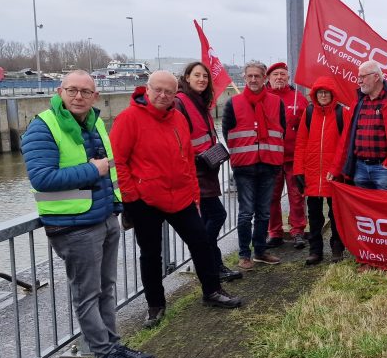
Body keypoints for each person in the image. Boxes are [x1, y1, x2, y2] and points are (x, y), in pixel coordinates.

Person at [22, 70, 154, 358]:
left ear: (95, 96)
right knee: (87, 294)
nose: (78, 96)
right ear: (60, 92)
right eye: (72, 90)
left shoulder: (94, 124)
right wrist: (92, 170)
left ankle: (113, 346)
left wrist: (117, 208)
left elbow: (111, 172)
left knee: (106, 289)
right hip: (74, 226)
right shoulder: (43, 127)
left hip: (103, 218)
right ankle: (104, 356)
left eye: (85, 91)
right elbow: (42, 178)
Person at [110, 71, 242, 329]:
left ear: (175, 93)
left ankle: (212, 290)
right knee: (150, 254)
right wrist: (132, 198)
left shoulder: (178, 118)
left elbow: (187, 158)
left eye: (169, 92)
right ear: (147, 89)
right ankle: (155, 305)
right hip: (146, 199)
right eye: (158, 90)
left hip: (180, 196)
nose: (163, 95)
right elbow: (119, 163)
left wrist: (194, 193)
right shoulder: (128, 118)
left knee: (201, 243)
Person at [173, 62, 242, 283]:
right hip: (195, 172)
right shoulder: (180, 102)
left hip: (207, 169)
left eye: (205, 76)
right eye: (197, 75)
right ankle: (205, 257)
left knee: (207, 220)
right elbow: (178, 140)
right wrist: (195, 159)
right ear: (187, 77)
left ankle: (213, 264)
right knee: (217, 216)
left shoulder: (199, 101)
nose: (202, 79)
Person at [223, 61, 286, 270]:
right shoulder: (233, 103)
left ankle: (260, 251)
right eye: (249, 76)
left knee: (264, 212)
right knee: (246, 213)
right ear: (244, 77)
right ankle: (244, 254)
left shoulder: (276, 102)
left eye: (257, 76)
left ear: (264, 78)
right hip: (245, 167)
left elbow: (282, 130)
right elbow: (227, 133)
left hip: (269, 164)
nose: (253, 80)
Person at [330, 61, 387, 190]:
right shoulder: (358, 103)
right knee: (363, 203)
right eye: (358, 77)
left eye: (363, 77)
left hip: (385, 170)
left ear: (376, 77)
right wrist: (336, 168)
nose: (359, 81)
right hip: (360, 169)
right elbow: (346, 138)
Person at [293, 76, 350, 265]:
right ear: (315, 95)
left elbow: (344, 145)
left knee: (336, 213)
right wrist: (298, 170)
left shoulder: (342, 113)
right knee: (314, 215)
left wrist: (336, 169)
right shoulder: (309, 113)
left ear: (332, 94)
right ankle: (315, 250)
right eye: (320, 92)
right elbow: (301, 143)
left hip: (333, 174)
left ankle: (337, 246)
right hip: (312, 173)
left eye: (326, 92)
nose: (323, 95)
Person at [264, 62, 309, 250]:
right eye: (276, 74)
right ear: (269, 78)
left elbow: (307, 126)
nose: (279, 77)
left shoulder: (298, 98)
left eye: (283, 74)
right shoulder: (262, 97)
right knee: (271, 197)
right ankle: (274, 232)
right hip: (270, 158)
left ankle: (297, 230)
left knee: (296, 196)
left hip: (293, 157)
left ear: (288, 77)